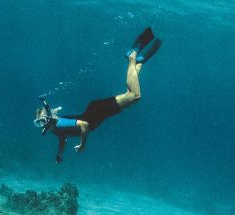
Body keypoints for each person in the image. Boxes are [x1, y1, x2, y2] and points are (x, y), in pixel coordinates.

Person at [34, 27, 162, 163]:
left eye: (42, 120)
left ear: (48, 117)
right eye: (38, 123)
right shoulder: (55, 130)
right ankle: (138, 63)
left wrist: (83, 144)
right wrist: (60, 154)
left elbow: (84, 125)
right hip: (98, 113)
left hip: (98, 111)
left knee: (135, 95)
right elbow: (62, 138)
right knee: (131, 93)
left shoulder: (59, 124)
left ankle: (132, 56)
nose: (42, 125)